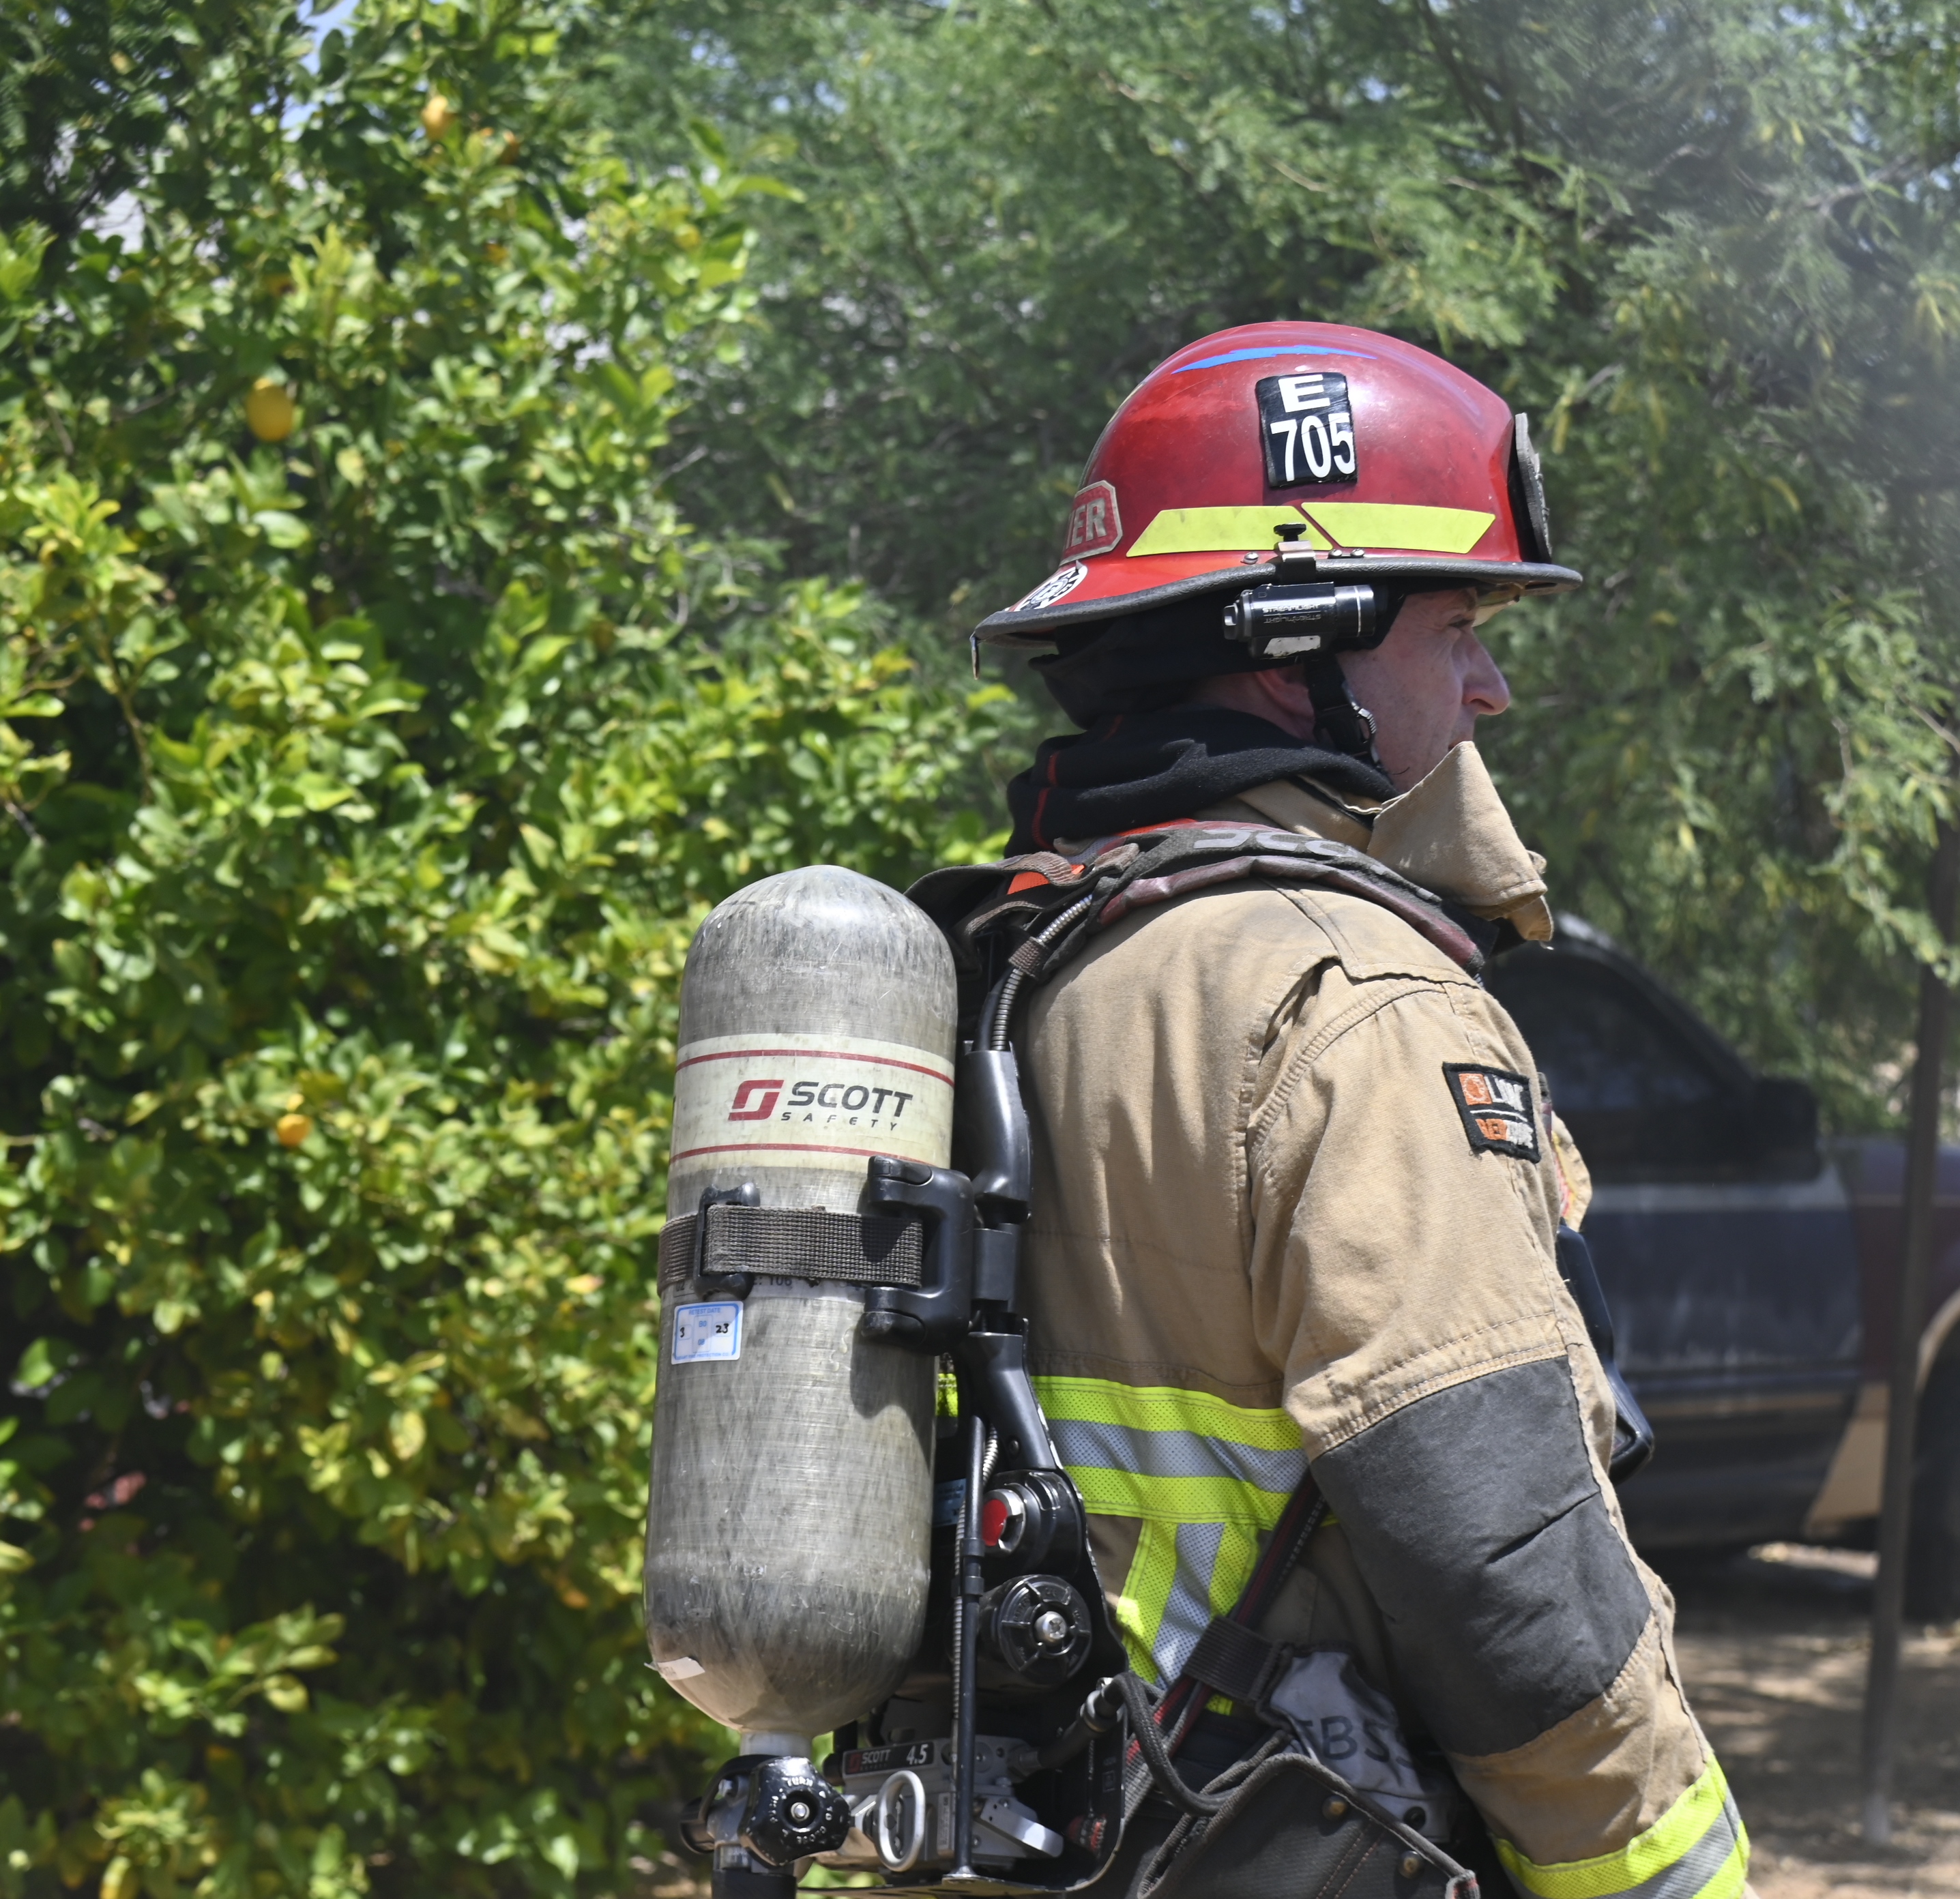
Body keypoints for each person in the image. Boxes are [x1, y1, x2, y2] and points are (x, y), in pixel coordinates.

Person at [970, 323, 1749, 1899]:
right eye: (1454, 627)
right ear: (1292, 646)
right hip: (1281, 1838)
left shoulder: (1019, 957)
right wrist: (1675, 1877)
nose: (1492, 687)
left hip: (1049, 1833)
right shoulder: (1357, 1004)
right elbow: (1502, 1572)